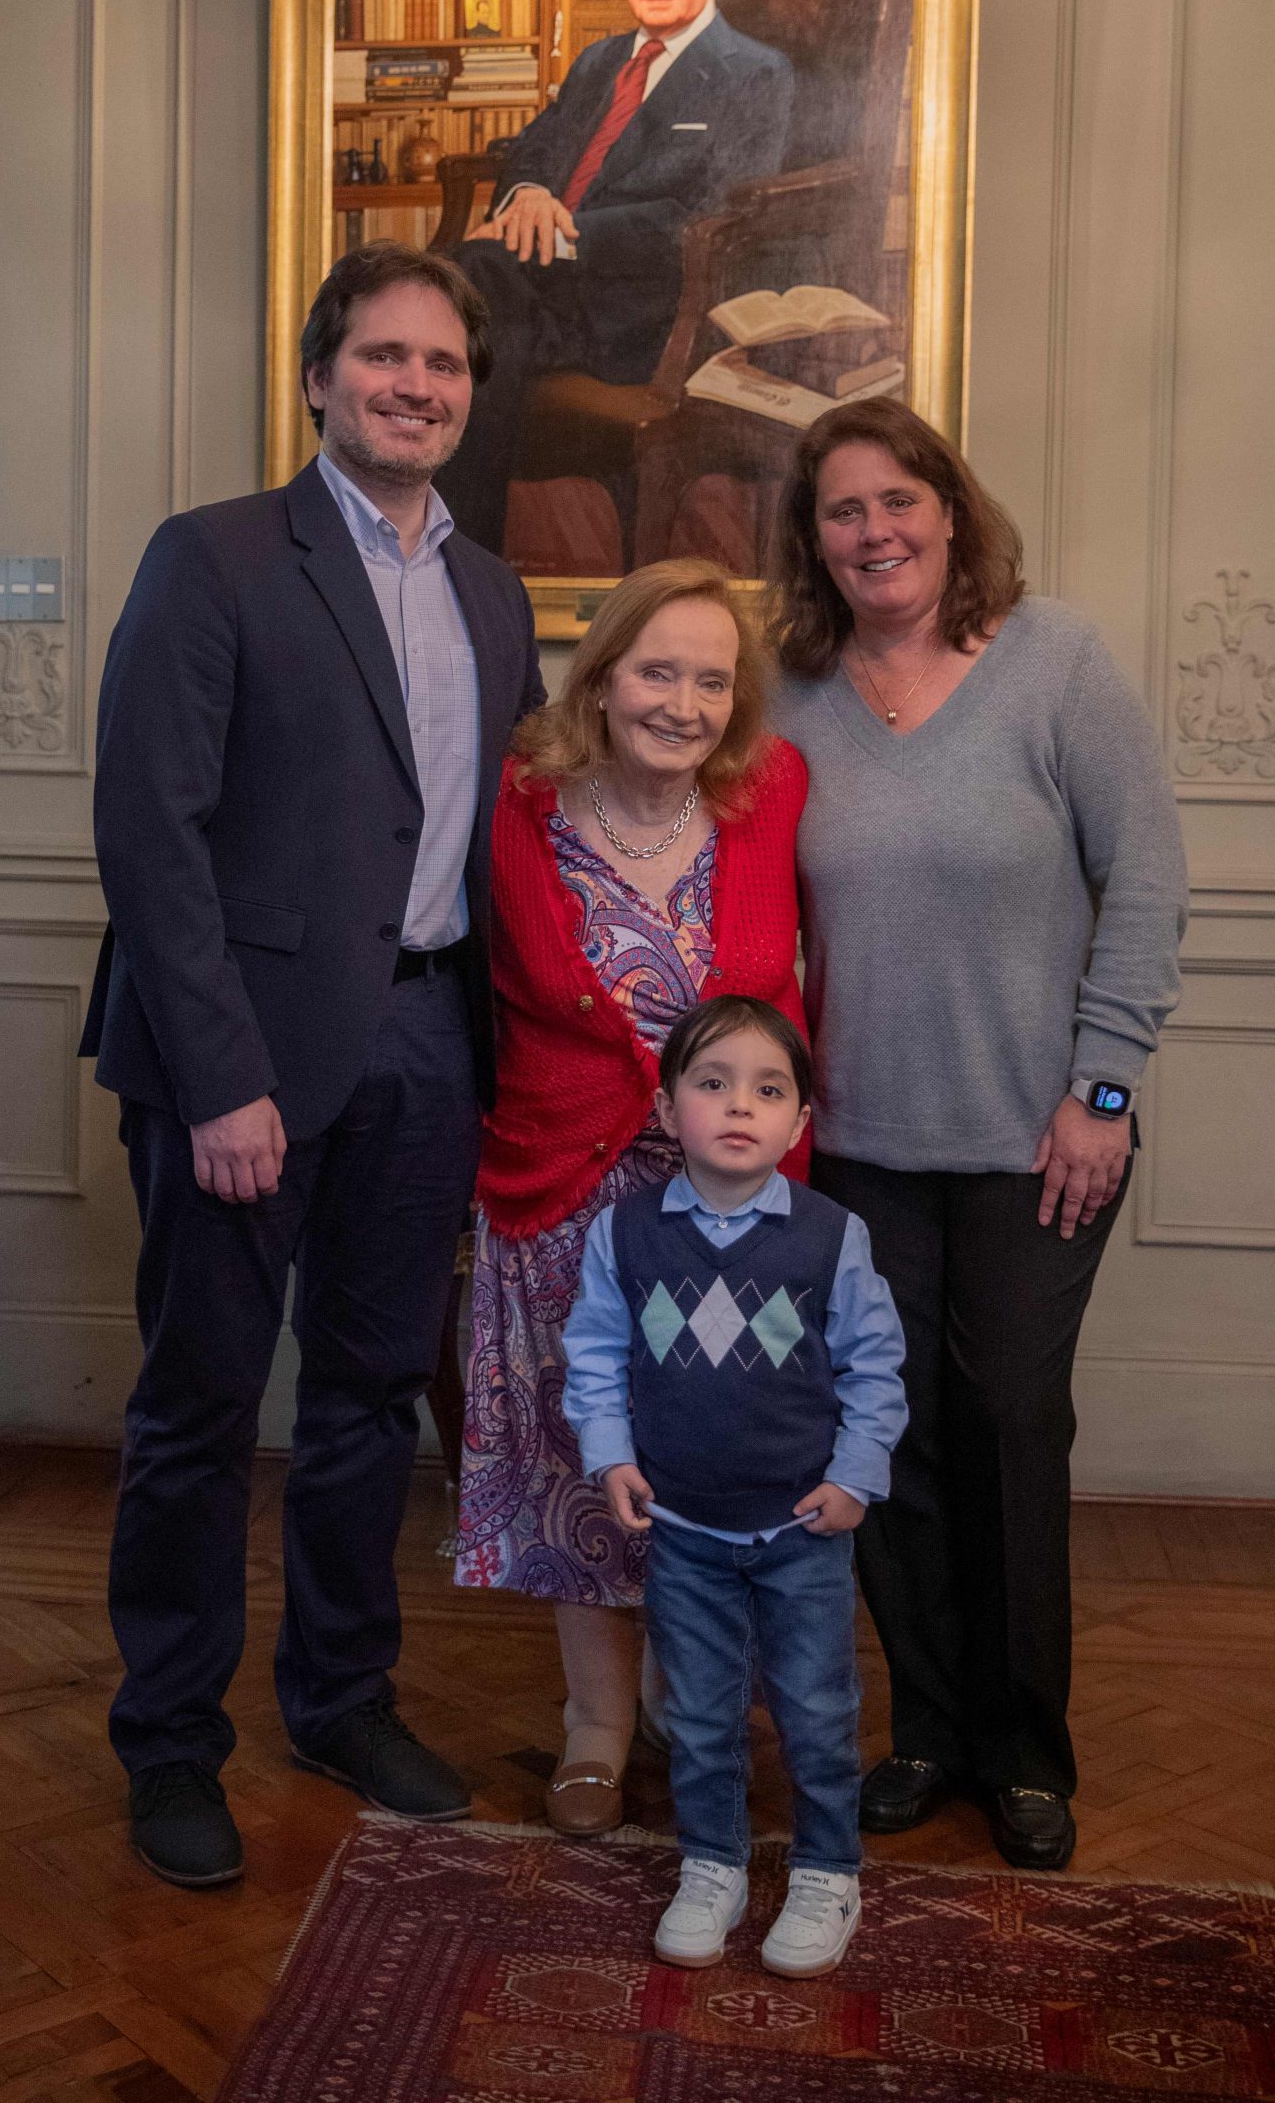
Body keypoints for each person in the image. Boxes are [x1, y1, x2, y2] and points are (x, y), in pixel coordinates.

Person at [82, 240, 542, 1889]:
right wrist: (218, 1081)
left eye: (444, 366)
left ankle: (341, 1699)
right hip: (242, 1064)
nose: (417, 386)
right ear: (316, 377)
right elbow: (151, 834)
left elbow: (498, 839)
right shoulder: (212, 560)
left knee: (365, 1406)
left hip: (429, 1042)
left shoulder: (490, 593)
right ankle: (169, 1747)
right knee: (201, 1411)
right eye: (385, 358)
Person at [767, 394, 1188, 1872]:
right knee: (890, 1438)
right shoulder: (786, 690)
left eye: (898, 501)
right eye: (841, 511)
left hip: (1036, 1139)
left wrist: (1106, 1091)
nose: (874, 531)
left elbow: (1141, 882)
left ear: (948, 509)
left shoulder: (1053, 661)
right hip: (858, 1146)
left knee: (1008, 1423)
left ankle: (1022, 1752)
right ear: (808, 541)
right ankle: (929, 1730)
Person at [454, 559, 808, 1839]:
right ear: (599, 679)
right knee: (579, 1465)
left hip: (730, 1212)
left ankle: (685, 1702)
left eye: (713, 678)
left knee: (712, 1463)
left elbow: (797, 999)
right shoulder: (519, 801)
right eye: (657, 670)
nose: (684, 701)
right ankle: (593, 1727)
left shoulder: (770, 798)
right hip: (564, 1196)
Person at [562, 997, 907, 1978]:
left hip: (802, 1523)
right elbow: (594, 1356)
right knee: (703, 1713)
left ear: (800, 1122)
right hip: (684, 1526)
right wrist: (611, 1453)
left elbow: (873, 1369)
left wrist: (855, 1476)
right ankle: (711, 1864)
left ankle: (826, 1869)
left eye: (768, 1089)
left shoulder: (830, 1237)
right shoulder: (623, 1236)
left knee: (816, 1705)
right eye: (712, 1084)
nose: (739, 1107)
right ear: (669, 1108)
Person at [437, 0, 795, 551]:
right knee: (441, 290)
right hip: (537, 291)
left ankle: (461, 549)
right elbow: (531, 152)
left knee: (466, 281)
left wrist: (559, 237)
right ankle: (448, 537)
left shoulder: (754, 75)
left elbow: (710, 211)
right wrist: (529, 199)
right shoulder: (600, 61)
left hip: (638, 314)